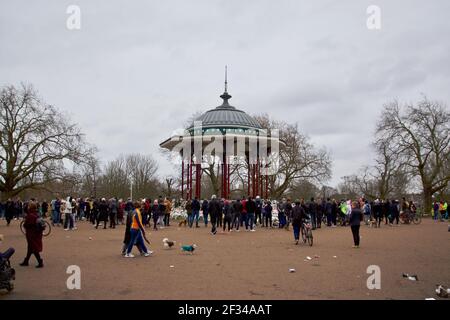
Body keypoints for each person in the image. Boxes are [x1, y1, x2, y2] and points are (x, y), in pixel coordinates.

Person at [19, 202, 44, 268]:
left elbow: (26, 225)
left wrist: (25, 224)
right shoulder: (37, 213)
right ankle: (26, 261)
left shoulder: (30, 215)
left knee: (33, 248)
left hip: (32, 234)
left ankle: (40, 262)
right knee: (30, 248)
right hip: (37, 233)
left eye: (29, 206)